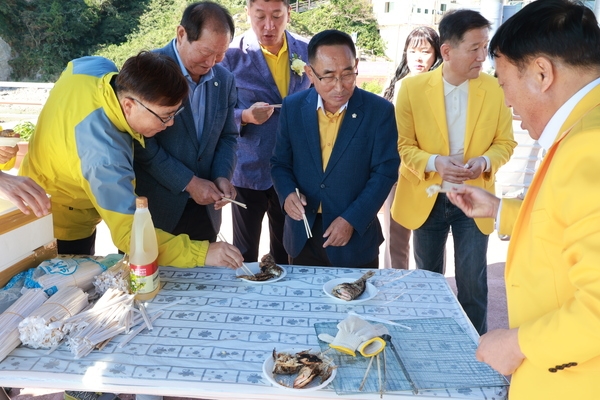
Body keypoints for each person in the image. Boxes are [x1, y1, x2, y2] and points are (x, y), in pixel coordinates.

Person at [446, 1, 600, 398]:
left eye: (504, 82)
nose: (507, 100)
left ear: (542, 73)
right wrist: (501, 211)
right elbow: (567, 221)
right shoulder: (584, 127)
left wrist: (517, 344)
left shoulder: (590, 146)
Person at [19, 51, 243, 269]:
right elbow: (130, 236)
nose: (170, 124)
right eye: (165, 116)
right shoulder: (105, 158)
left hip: (30, 192)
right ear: (128, 105)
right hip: (58, 226)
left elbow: (74, 69)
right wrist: (203, 253)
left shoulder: (94, 67)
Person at [390, 9, 516, 335]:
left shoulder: (495, 89)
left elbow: (505, 143)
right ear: (447, 51)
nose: (481, 56)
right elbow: (404, 147)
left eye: (484, 47)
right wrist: (435, 163)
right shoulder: (411, 90)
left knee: (472, 283)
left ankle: (477, 351)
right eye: (473, 48)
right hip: (428, 197)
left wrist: (485, 162)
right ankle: (430, 339)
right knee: (428, 279)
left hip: (475, 199)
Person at [271, 29, 399, 268]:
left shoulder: (378, 111)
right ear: (310, 73)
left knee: (356, 304)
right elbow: (280, 163)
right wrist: (287, 193)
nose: (339, 86)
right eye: (328, 76)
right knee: (303, 303)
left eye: (348, 74)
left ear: (356, 65)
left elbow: (385, 173)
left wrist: (351, 219)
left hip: (355, 237)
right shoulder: (293, 107)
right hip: (303, 233)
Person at [133, 2, 238, 244]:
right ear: (182, 34)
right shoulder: (148, 69)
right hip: (157, 209)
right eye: (205, 52)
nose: (212, 62)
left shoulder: (224, 80)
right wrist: (189, 183)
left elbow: (228, 136)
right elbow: (140, 143)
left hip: (206, 212)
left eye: (220, 54)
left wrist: (222, 176)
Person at [221, 0, 311, 264]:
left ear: (288, 14)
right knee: (245, 251)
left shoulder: (306, 51)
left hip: (292, 167)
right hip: (248, 169)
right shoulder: (231, 56)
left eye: (276, 16)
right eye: (260, 16)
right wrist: (245, 116)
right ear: (248, 12)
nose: (268, 26)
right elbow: (219, 112)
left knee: (286, 249)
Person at [381, 26, 442, 270]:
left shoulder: (443, 87)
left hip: (430, 171)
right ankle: (393, 286)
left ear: (436, 54)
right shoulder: (395, 83)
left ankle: (428, 288)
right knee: (395, 237)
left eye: (426, 51)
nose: (418, 57)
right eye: (413, 51)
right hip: (397, 171)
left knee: (430, 239)